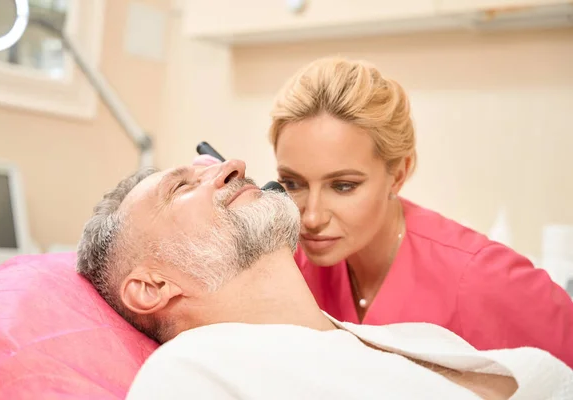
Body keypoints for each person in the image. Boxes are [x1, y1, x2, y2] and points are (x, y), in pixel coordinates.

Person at [76, 161, 572, 400]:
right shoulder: (188, 375)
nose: (233, 165)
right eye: (183, 186)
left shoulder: (407, 339)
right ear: (152, 286)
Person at [193, 56, 573, 367]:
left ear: (399, 173)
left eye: (343, 186)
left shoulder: (484, 279)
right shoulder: (289, 263)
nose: (311, 218)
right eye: (293, 183)